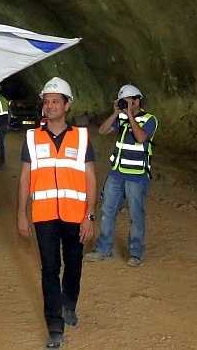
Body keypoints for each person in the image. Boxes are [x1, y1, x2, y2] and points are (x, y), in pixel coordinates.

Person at [16, 77, 97, 349]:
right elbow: (25, 178)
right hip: (44, 215)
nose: (49, 106)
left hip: (76, 215)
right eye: (47, 101)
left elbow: (91, 179)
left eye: (55, 101)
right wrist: (21, 213)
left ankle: (69, 304)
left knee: (73, 264)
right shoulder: (32, 137)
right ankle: (54, 326)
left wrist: (89, 215)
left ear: (67, 105)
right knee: (50, 269)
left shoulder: (82, 137)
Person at [86, 84, 158, 267]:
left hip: (137, 177)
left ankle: (136, 253)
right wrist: (116, 113)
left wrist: (131, 116)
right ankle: (103, 249)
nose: (126, 105)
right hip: (116, 174)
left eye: (128, 101)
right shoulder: (122, 119)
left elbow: (141, 138)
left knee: (136, 214)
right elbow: (102, 131)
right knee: (107, 211)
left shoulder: (150, 120)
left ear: (137, 100)